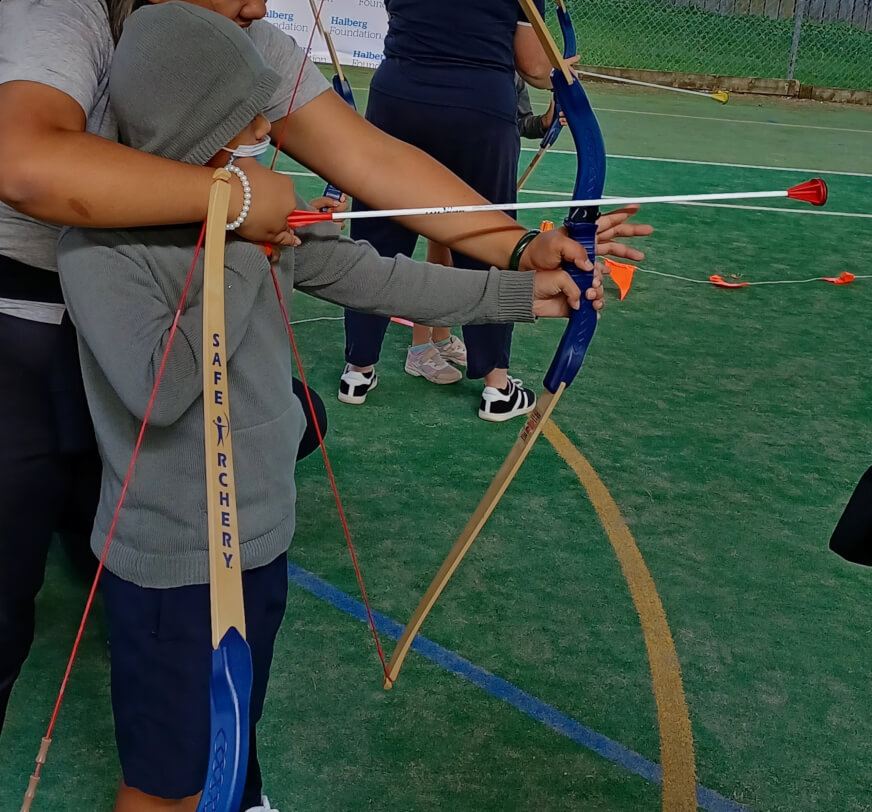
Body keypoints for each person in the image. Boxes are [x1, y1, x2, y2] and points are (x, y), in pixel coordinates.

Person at [0, 0, 643, 740]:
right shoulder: (63, 17)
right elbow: (26, 162)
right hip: (25, 318)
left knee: (206, 666)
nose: (259, 5)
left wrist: (519, 253)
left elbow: (372, 166)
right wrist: (236, 207)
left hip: (221, 455)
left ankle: (228, 781)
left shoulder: (239, 48)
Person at [338, 0, 648, 422]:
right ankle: (496, 386)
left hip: (398, 97)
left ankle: (358, 370)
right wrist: (559, 68)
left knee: (378, 237)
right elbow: (535, 67)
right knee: (487, 238)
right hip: (476, 108)